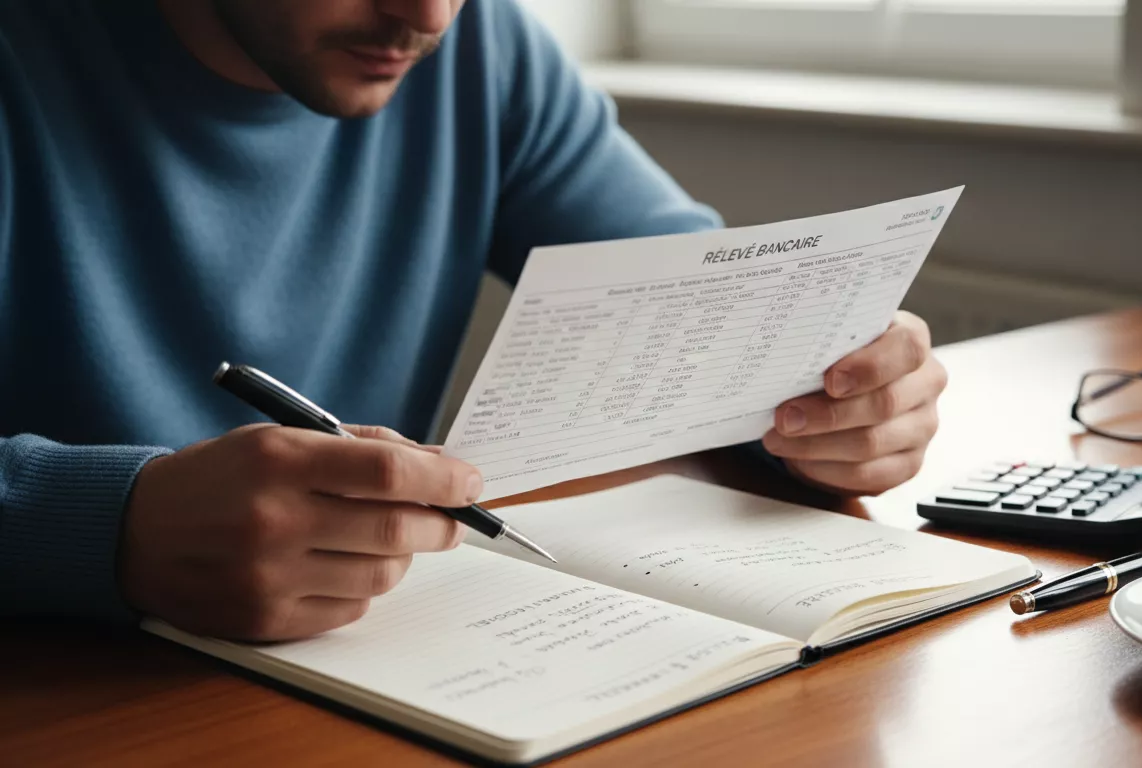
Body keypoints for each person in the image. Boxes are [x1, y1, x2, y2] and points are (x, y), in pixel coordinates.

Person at [0, 0, 948, 642]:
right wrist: (104, 525)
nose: (426, 20)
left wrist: (827, 387)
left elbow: (692, 295)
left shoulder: (483, 43)